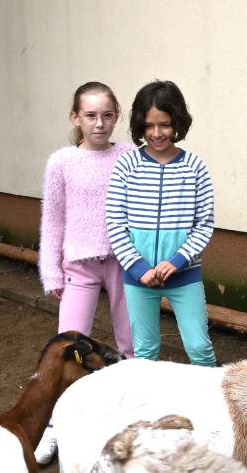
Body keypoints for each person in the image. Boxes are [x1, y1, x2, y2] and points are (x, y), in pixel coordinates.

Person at [35, 81, 136, 465]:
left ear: (117, 116)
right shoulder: (62, 161)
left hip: (124, 261)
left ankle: (129, 414)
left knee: (131, 340)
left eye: (107, 115)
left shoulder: (129, 155)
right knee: (68, 344)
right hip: (79, 264)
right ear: (75, 117)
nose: (99, 124)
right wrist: (52, 272)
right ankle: (56, 426)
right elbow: (53, 218)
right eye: (91, 116)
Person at [106, 80, 216, 366]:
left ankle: (210, 407)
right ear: (139, 124)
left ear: (177, 121)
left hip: (184, 275)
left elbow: (204, 224)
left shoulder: (195, 166)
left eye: (165, 124)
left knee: (199, 347)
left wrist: (177, 261)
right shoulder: (126, 165)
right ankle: (148, 408)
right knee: (144, 352)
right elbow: (115, 223)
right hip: (137, 278)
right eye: (149, 125)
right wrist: (138, 268)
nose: (156, 133)